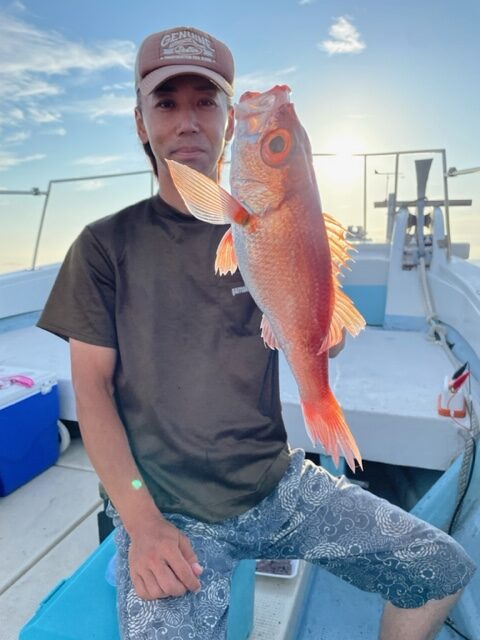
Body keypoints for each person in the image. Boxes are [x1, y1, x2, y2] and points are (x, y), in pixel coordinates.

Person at [38, 26, 475, 640]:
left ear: (226, 122)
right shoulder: (103, 246)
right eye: (167, 103)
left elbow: (314, 317)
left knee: (442, 567)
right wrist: (141, 520)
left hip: (276, 483)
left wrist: (323, 321)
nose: (188, 121)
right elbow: (92, 392)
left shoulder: (256, 224)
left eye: (206, 102)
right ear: (141, 122)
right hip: (171, 508)